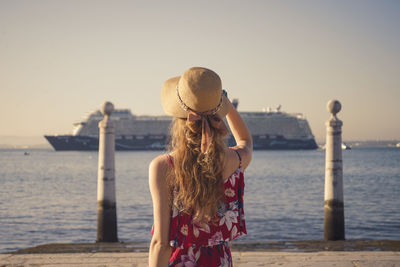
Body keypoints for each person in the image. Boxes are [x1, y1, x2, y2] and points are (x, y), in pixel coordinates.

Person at [148, 67, 252, 267]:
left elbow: (161, 244)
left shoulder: (163, 166)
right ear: (218, 115)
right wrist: (226, 105)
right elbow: (245, 140)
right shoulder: (236, 160)